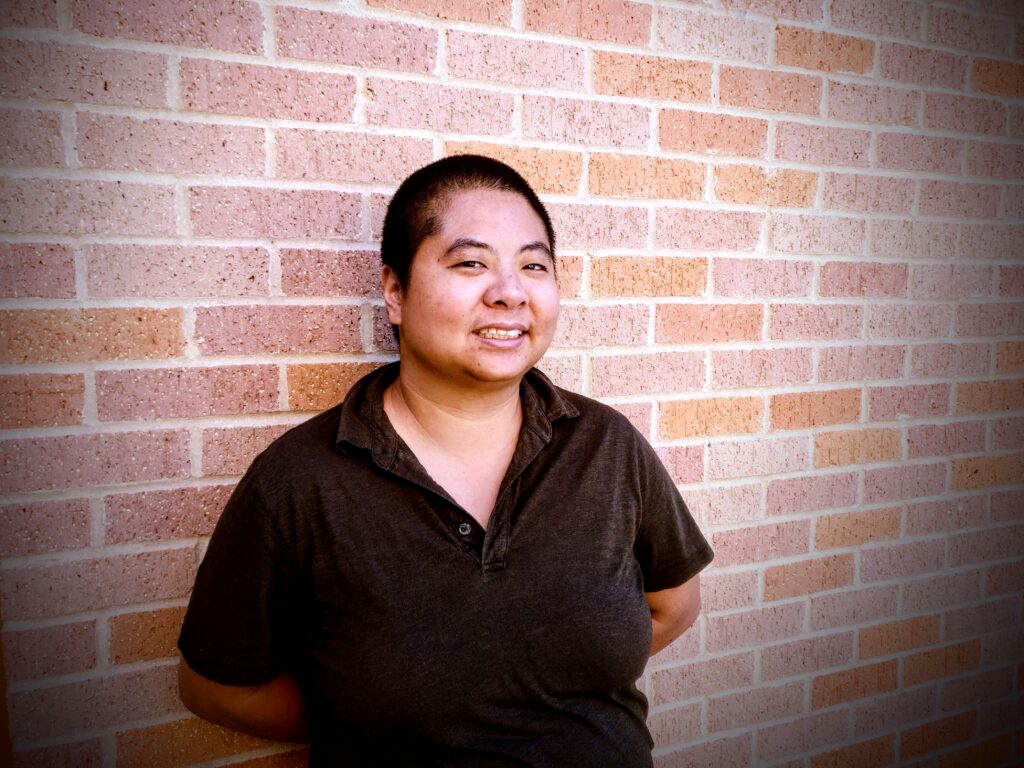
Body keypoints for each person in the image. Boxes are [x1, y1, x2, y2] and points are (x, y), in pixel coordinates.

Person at [177, 155, 714, 766]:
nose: (510, 292)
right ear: (395, 292)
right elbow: (214, 687)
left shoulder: (605, 447)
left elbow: (674, 605)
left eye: (534, 265)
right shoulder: (301, 482)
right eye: (471, 263)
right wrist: (363, 721)